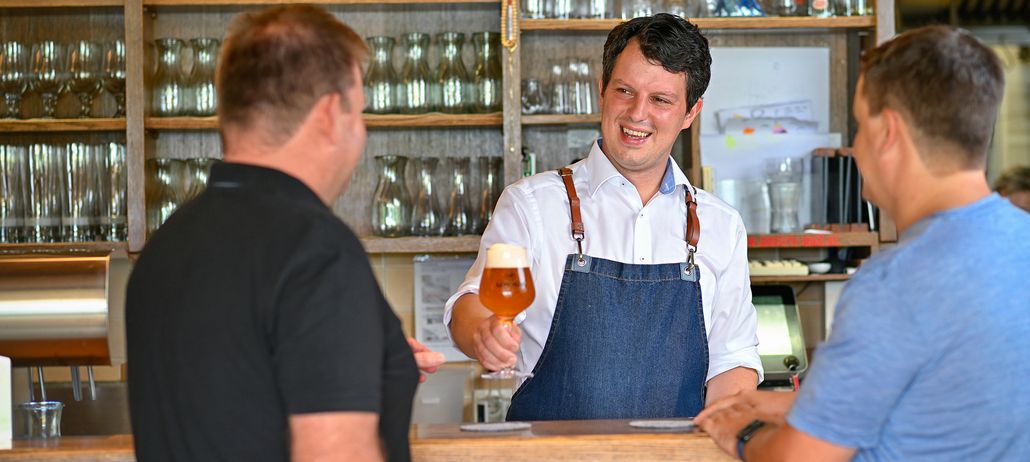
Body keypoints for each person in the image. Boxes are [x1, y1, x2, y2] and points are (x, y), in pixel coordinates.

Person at [693, 25, 1030, 461]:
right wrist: (795, 405)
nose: (856, 147)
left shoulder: (895, 282)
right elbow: (956, 404)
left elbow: (799, 459)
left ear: (888, 132)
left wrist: (741, 433)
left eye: (860, 125)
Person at [126, 6, 444, 462]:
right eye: (360, 112)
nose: (361, 131)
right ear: (332, 114)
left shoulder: (164, 248)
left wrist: (358, 359)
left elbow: (235, 391)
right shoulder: (317, 250)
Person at [444, 13, 762, 421]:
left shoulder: (721, 225)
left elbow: (732, 360)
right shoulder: (532, 204)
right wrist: (482, 334)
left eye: (661, 100)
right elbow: (472, 306)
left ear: (690, 113)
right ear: (602, 91)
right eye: (624, 91)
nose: (637, 114)